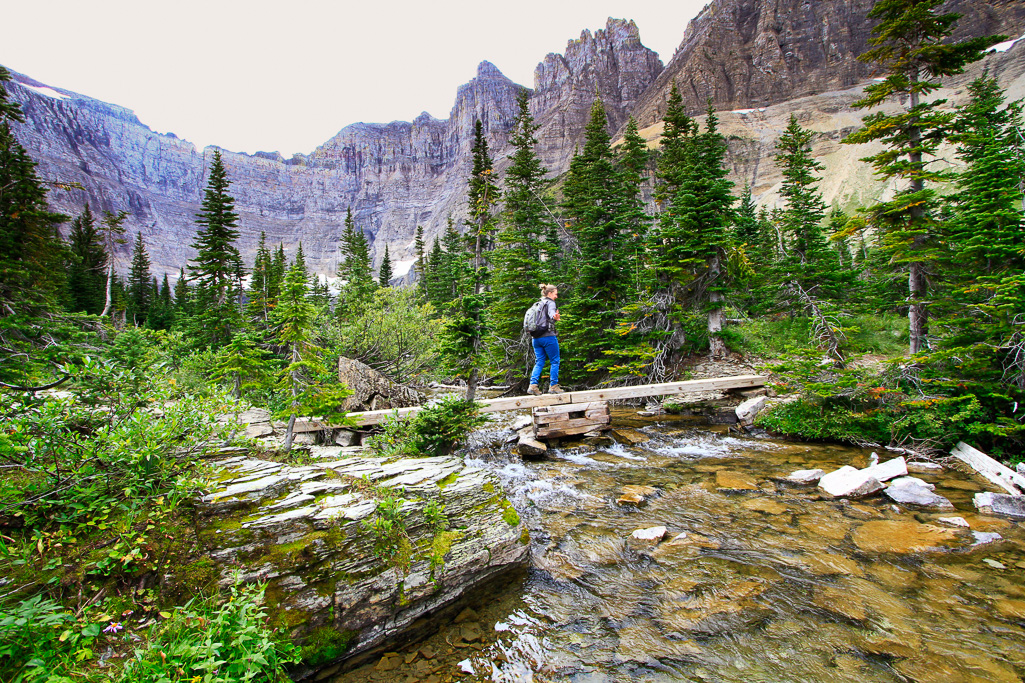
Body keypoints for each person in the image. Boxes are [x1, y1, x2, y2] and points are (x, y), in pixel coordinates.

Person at [528, 283, 563, 395]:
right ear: (550, 293)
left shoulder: (538, 303)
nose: (556, 296)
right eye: (555, 294)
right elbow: (551, 313)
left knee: (539, 362)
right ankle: (553, 386)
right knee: (555, 361)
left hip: (535, 338)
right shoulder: (550, 303)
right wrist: (555, 317)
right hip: (548, 337)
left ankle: (533, 386)